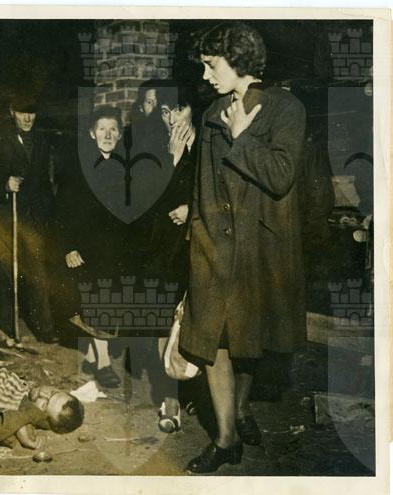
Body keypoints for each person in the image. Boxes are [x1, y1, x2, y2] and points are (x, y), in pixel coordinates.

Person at [181, 23, 306, 473]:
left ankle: (240, 409)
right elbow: (202, 184)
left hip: (260, 247)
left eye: (211, 65)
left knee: (247, 340)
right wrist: (197, 234)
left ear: (238, 60)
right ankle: (226, 438)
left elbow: (280, 176)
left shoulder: (286, 109)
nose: (206, 75)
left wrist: (243, 136)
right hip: (215, 244)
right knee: (212, 339)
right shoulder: (212, 111)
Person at [129, 85, 197, 433]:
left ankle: (197, 392)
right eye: (166, 112)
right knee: (164, 322)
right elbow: (143, 202)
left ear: (192, 110)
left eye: (178, 110)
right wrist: (170, 159)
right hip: (164, 250)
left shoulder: (209, 146)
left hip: (200, 247)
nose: (172, 119)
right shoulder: (155, 147)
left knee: (196, 322)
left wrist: (192, 210)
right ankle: (170, 398)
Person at [53, 105, 136, 388]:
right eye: (102, 129)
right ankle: (102, 365)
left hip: (115, 249)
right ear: (92, 133)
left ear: (120, 134)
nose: (108, 135)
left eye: (113, 129)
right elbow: (61, 210)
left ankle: (95, 357)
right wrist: (69, 247)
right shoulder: (77, 167)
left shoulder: (127, 167)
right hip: (85, 251)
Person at [0, 92, 57, 342]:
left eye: (31, 113)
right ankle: (6, 330)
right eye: (22, 113)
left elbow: (44, 182)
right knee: (5, 272)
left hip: (32, 217)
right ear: (12, 112)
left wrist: (46, 212)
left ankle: (45, 330)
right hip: (4, 215)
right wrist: (4, 183)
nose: (27, 118)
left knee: (37, 270)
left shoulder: (41, 140)